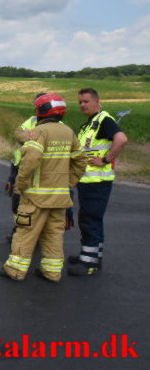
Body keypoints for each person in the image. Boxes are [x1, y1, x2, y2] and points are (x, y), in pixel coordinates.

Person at [0, 93, 87, 282]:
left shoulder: (39, 131)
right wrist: (69, 182)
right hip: (60, 197)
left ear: (42, 111)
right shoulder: (68, 132)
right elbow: (80, 160)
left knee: (25, 232)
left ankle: (14, 270)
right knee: (53, 234)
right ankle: (52, 272)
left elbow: (30, 160)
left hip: (36, 196)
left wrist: (20, 184)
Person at [68, 88, 128, 276]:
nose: (82, 105)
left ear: (96, 101)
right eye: (80, 102)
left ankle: (88, 263)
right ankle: (93, 255)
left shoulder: (104, 120)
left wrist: (106, 159)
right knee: (92, 218)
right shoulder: (90, 124)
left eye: (86, 101)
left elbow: (121, 139)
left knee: (89, 219)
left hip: (97, 181)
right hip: (88, 181)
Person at [4, 93, 45, 243]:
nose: (36, 109)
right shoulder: (32, 120)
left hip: (41, 172)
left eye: (39, 106)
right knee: (16, 203)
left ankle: (34, 235)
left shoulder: (57, 126)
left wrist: (30, 137)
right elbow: (18, 133)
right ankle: (18, 228)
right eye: (35, 106)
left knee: (36, 206)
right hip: (19, 166)